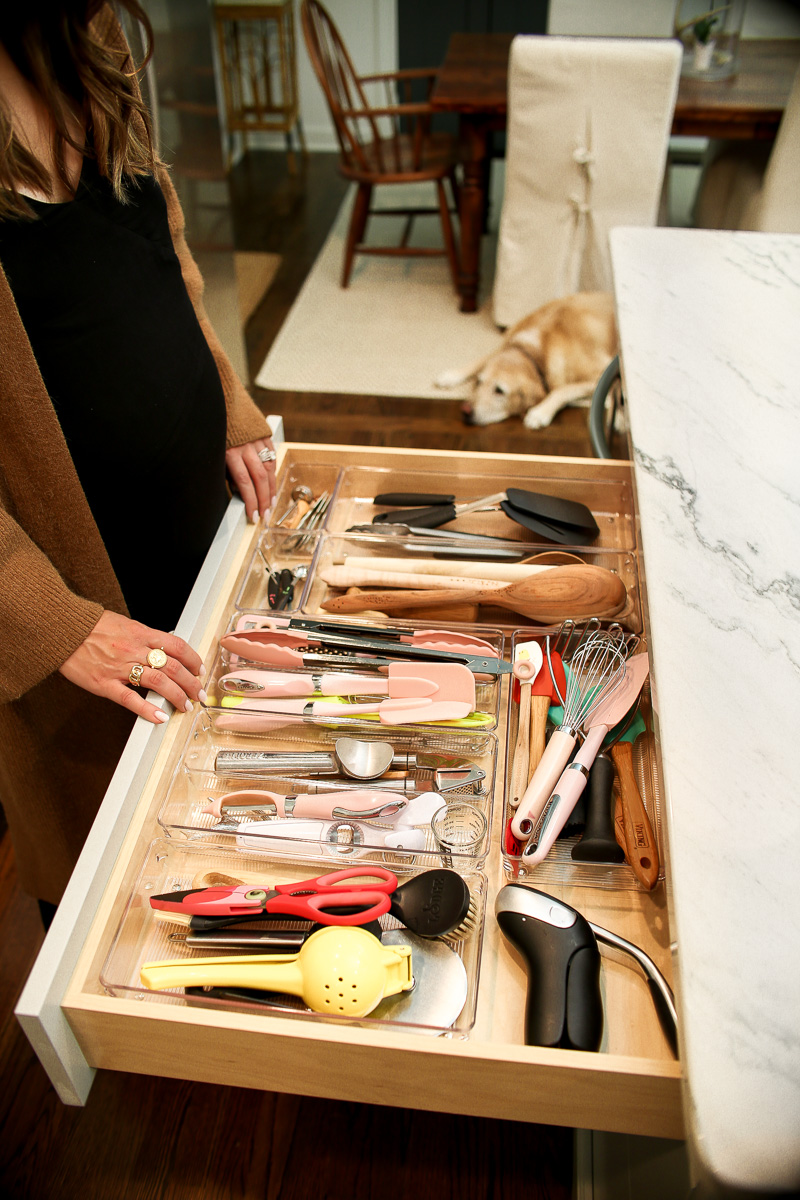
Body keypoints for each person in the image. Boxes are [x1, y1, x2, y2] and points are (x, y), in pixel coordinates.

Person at [0, 0, 277, 914]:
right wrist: (50, 618)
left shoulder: (86, 42)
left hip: (195, 525)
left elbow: (165, 253)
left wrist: (229, 406)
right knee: (113, 888)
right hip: (75, 582)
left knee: (215, 816)